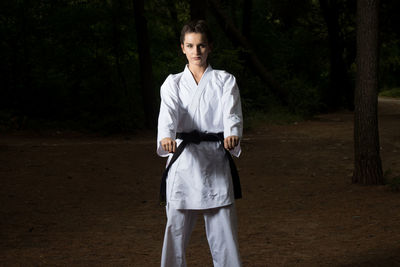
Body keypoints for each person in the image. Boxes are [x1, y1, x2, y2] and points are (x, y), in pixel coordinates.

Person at [157, 20, 243, 267]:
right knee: (176, 230)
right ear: (182, 48)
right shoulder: (172, 83)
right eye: (191, 46)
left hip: (215, 158)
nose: (196, 51)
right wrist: (166, 135)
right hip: (183, 163)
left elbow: (232, 112)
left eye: (201, 45)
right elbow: (168, 113)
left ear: (210, 47)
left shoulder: (225, 80)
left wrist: (232, 133)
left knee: (224, 231)